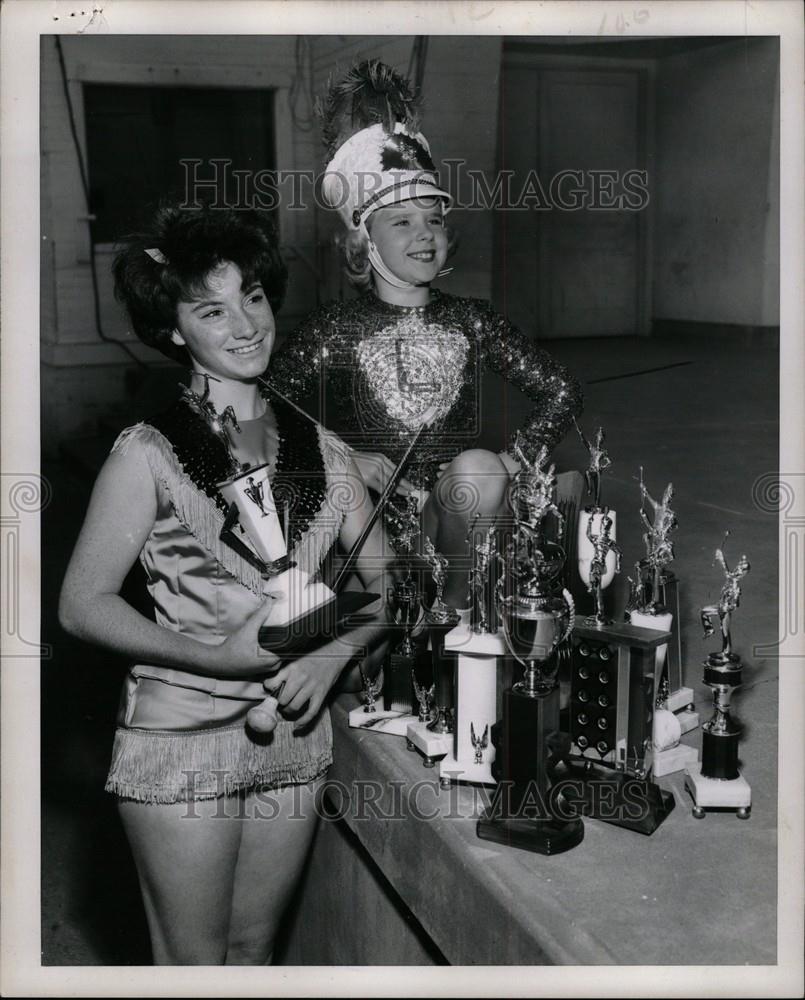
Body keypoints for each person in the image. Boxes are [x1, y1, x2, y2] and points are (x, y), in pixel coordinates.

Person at [58, 203, 395, 965]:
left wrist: (328, 655)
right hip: (181, 735)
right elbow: (80, 606)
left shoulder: (322, 447)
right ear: (175, 331)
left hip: (293, 733)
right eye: (211, 309)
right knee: (193, 965)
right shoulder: (145, 452)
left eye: (252, 296)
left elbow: (387, 584)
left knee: (252, 952)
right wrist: (218, 658)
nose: (245, 324)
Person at [270, 61, 583, 611]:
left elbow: (562, 391)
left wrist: (513, 461)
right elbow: (262, 406)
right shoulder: (332, 327)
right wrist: (342, 457)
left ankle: (460, 624)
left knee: (480, 471)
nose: (424, 234)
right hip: (367, 526)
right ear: (362, 242)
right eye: (401, 222)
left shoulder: (473, 319)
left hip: (456, 513)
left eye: (433, 219)